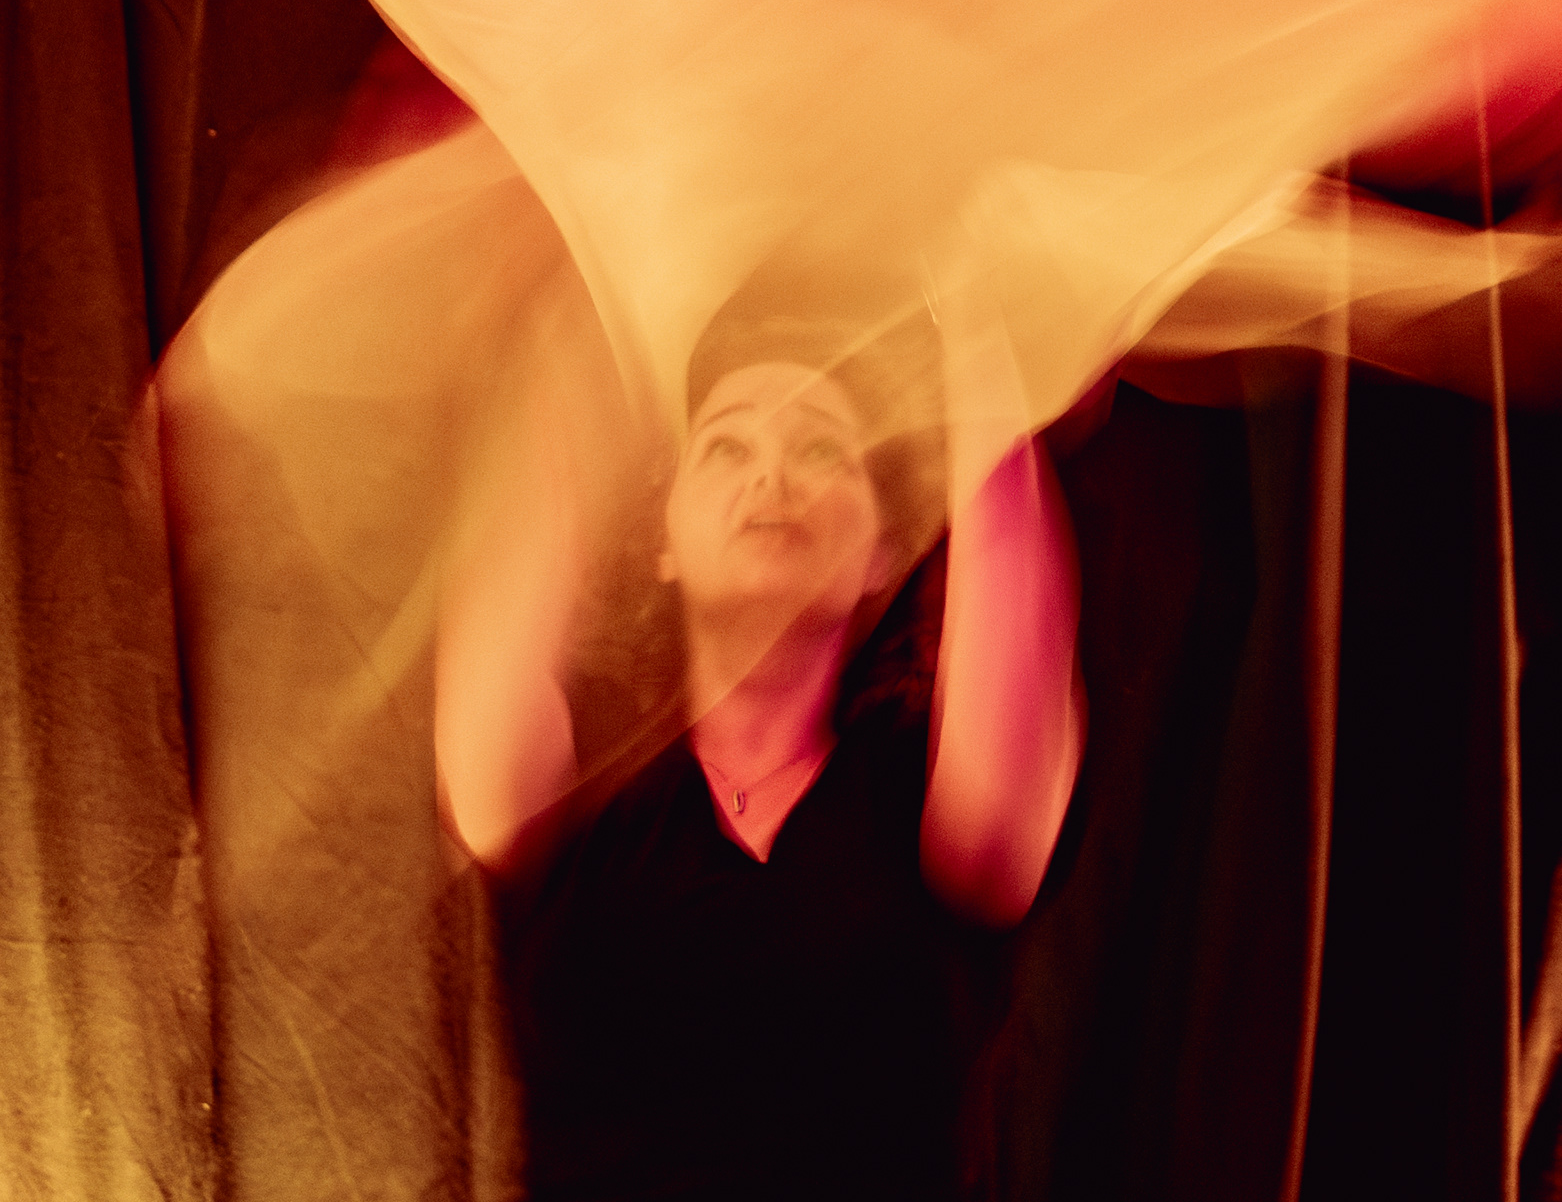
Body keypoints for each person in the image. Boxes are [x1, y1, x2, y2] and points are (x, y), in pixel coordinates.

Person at [435, 308, 1086, 1202]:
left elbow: (1007, 541)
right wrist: (592, 289)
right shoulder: (577, 807)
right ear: (664, 542)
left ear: (881, 555)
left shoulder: (924, 807)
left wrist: (972, 310)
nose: (771, 475)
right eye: (726, 448)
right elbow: (534, 495)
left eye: (820, 450)